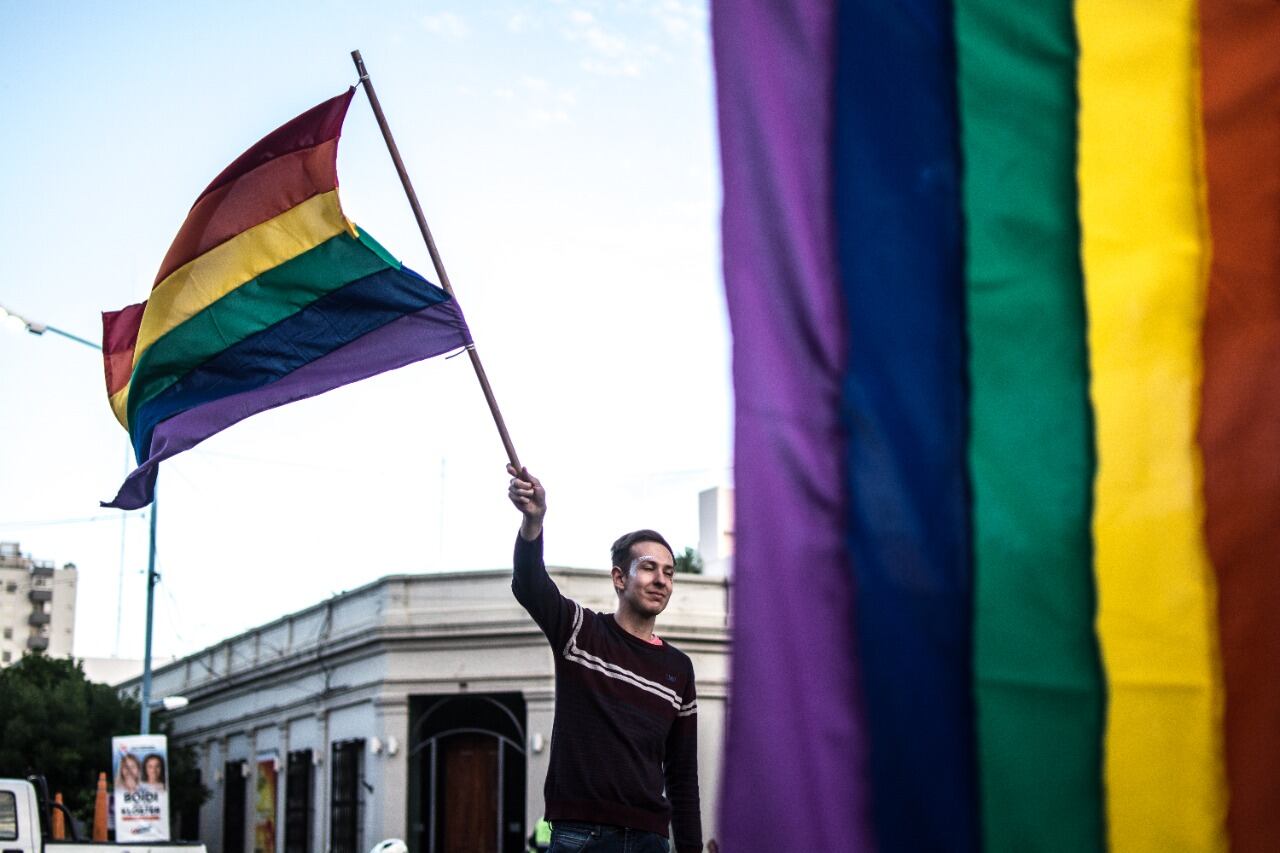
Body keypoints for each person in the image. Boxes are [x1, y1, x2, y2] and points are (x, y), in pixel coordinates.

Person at [507, 465, 702, 853]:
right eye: (648, 568)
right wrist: (534, 522)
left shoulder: (679, 669)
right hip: (581, 837)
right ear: (619, 578)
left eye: (669, 572)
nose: (661, 580)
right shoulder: (580, 631)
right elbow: (529, 584)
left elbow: (682, 777)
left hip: (651, 840)